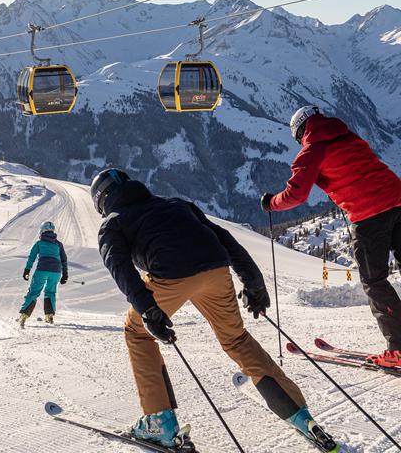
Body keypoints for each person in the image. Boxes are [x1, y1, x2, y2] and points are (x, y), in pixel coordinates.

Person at [91, 168, 340, 452]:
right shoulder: (176, 204)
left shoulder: (112, 223)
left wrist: (148, 310)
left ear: (101, 200)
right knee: (236, 339)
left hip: (169, 275)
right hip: (215, 270)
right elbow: (225, 240)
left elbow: (120, 268)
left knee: (137, 333)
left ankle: (159, 421)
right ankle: (299, 415)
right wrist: (253, 284)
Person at [261, 106, 401, 366]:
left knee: (374, 280)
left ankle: (398, 349)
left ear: (300, 132)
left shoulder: (313, 150)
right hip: (398, 199)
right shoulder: (349, 136)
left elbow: (297, 194)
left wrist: (272, 203)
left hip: (369, 214)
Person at [18, 221, 68, 328]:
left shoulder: (39, 243)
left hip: (43, 269)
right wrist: (65, 274)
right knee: (50, 292)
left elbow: (32, 257)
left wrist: (27, 270)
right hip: (56, 271)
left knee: (34, 292)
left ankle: (24, 315)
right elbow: (64, 259)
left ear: (42, 231)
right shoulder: (59, 244)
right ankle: (49, 315)